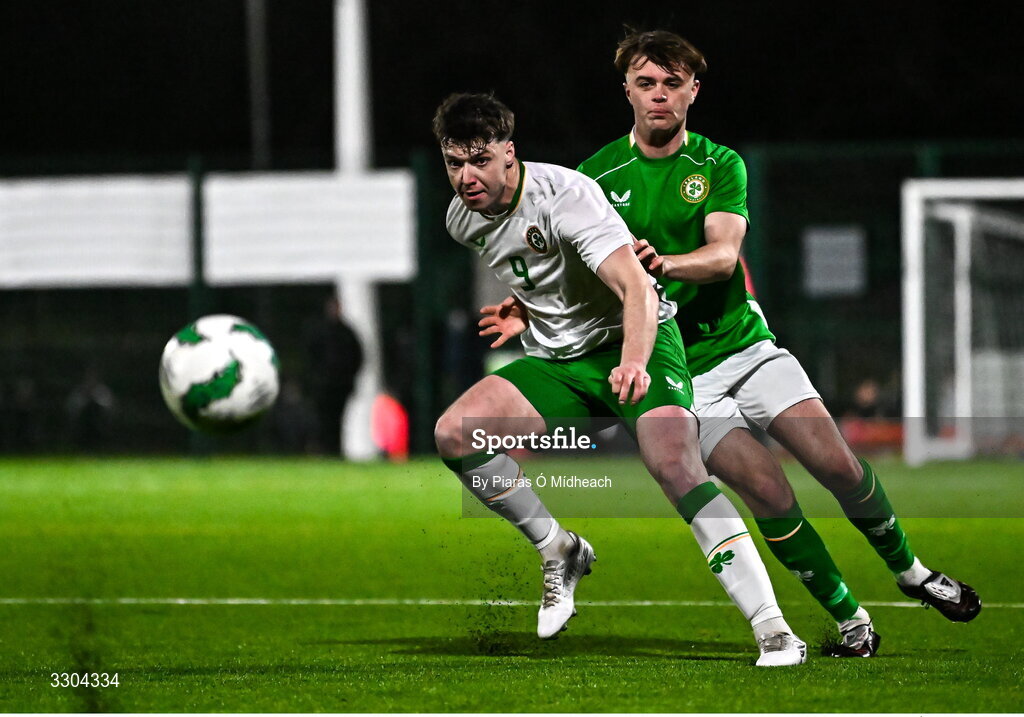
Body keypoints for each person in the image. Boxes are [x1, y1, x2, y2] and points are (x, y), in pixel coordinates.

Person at [572, 28, 981, 656]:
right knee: (768, 490)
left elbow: (723, 254)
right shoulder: (594, 177)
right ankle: (850, 618)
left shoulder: (718, 164)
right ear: (626, 88)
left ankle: (912, 572)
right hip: (682, 374)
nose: (659, 96)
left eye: (672, 84)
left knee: (837, 465)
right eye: (646, 83)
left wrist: (664, 265)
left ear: (693, 91)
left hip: (745, 347)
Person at [432, 91, 806, 666]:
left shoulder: (565, 197)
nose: (466, 176)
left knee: (676, 467)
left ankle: (774, 629)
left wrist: (633, 360)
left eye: (479, 160)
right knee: (456, 434)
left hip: (637, 343)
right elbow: (546, 273)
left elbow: (633, 287)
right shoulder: (463, 218)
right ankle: (559, 549)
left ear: (510, 152)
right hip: (563, 360)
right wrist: (524, 307)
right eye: (454, 162)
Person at [305, 294, 364, 456]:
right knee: (324, 419)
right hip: (324, 386)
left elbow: (358, 357)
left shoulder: (346, 332)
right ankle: (324, 448)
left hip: (340, 385)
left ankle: (335, 450)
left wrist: (348, 377)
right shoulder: (320, 331)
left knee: (338, 419)